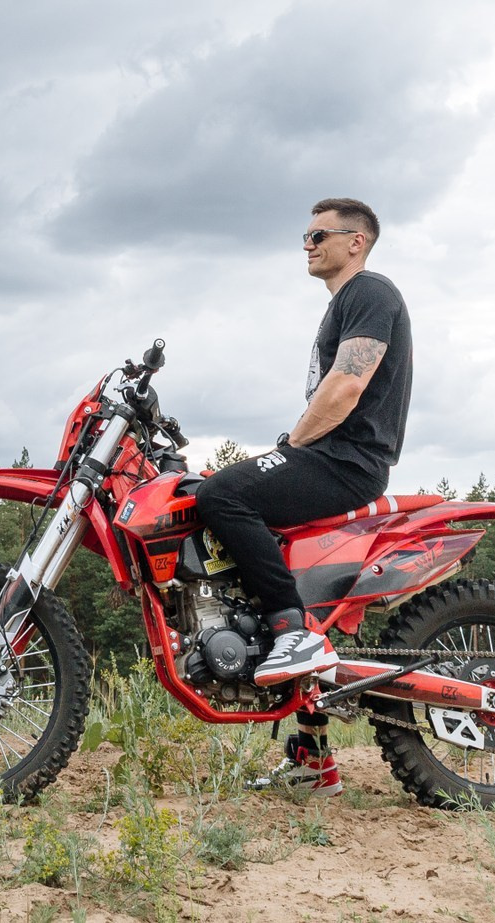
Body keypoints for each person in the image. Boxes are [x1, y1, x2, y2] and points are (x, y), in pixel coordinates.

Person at [192, 197, 413, 691]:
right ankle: (310, 734)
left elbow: (346, 385)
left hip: (347, 461)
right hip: (331, 456)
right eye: (305, 237)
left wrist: (291, 444)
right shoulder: (343, 303)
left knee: (222, 494)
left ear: (356, 242)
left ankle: (292, 630)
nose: (308, 245)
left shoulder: (369, 291)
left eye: (319, 236)